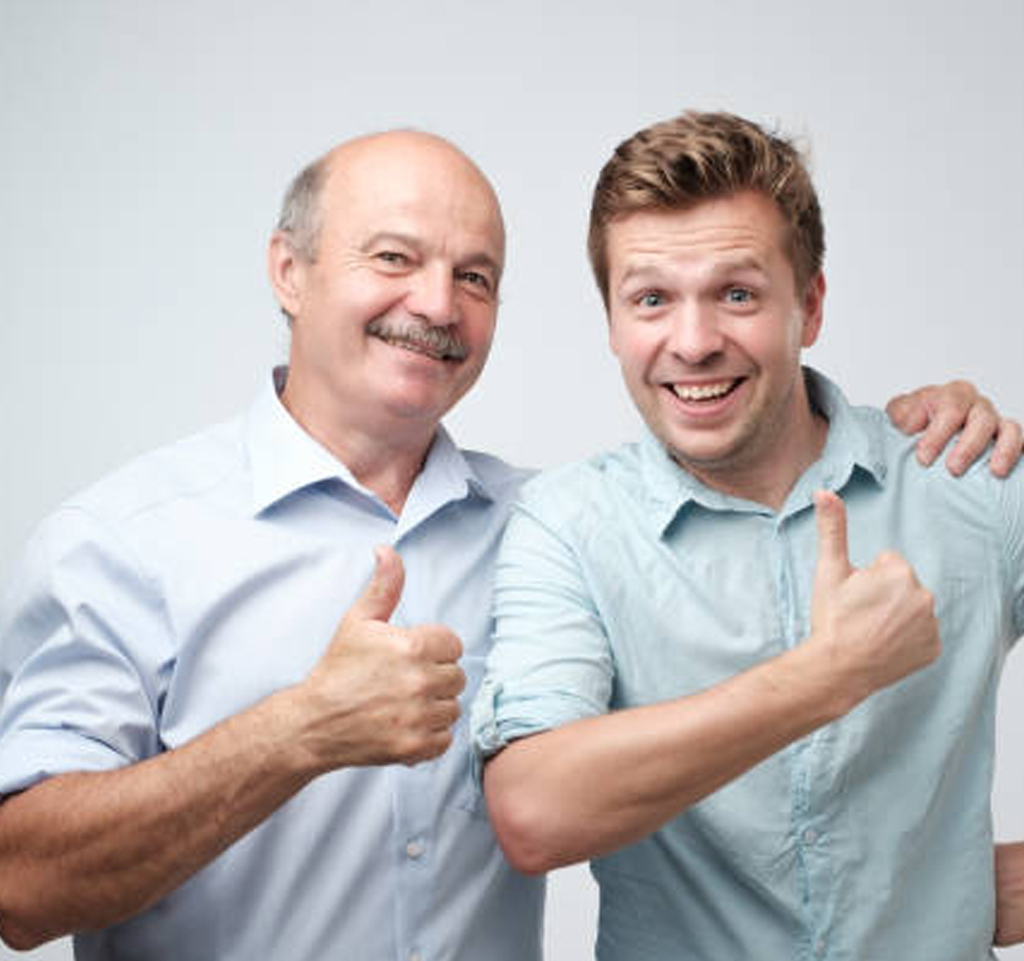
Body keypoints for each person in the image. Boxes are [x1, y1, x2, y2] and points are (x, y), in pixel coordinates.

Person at [0, 129, 1013, 960]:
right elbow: (18, 887)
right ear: (289, 270)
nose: (437, 305)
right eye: (393, 258)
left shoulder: (538, 522)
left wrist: (956, 896)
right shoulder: (128, 540)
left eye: (473, 276)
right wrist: (299, 728)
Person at [473, 111, 1024, 960]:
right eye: (652, 299)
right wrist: (825, 677)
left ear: (810, 303)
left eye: (737, 293)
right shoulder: (569, 525)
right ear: (613, 324)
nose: (693, 344)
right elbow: (535, 813)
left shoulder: (967, 483)